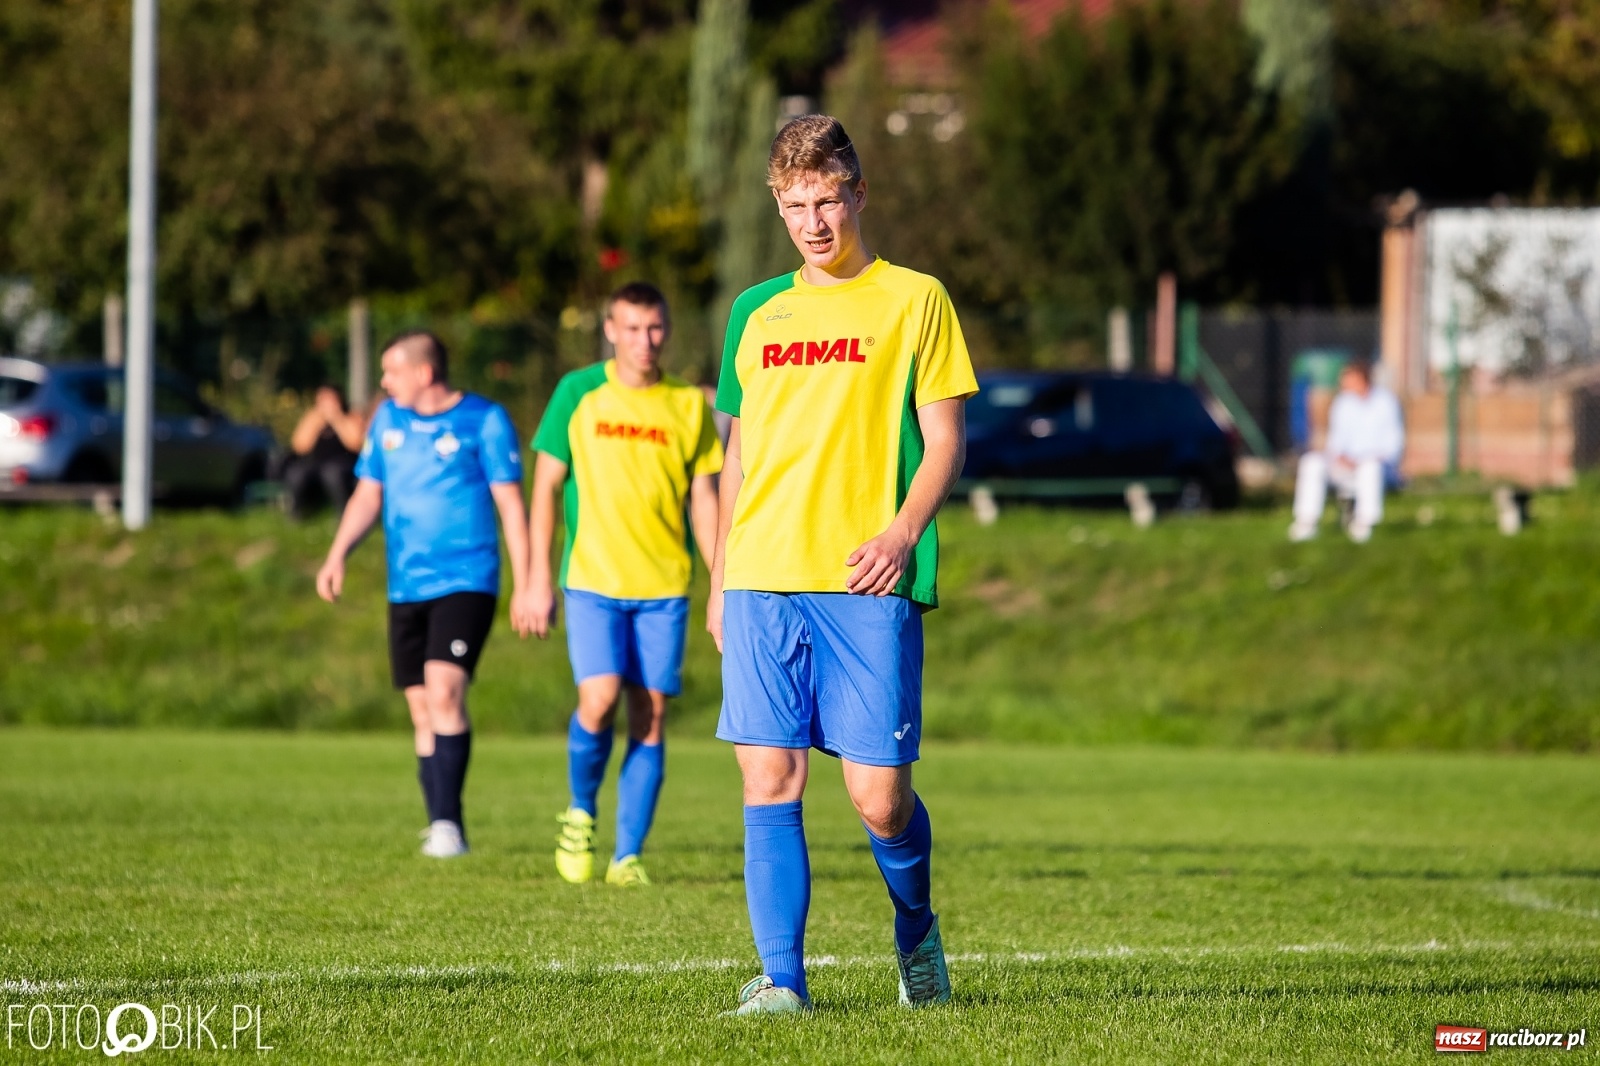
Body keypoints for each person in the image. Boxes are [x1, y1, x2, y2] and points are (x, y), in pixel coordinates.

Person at [708, 114, 978, 1015]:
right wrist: (718, 581)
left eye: (828, 200)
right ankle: (784, 982)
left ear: (858, 192)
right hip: (760, 575)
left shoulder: (916, 299)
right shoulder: (754, 312)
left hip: (868, 578)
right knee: (768, 777)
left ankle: (915, 932)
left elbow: (945, 441)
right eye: (796, 205)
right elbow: (737, 456)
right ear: (778, 207)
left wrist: (902, 533)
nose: (815, 222)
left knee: (878, 802)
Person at [528, 282, 723, 887]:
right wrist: (535, 575)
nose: (646, 340)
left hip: (664, 586)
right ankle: (581, 811)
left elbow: (705, 498)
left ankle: (627, 855)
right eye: (633, 328)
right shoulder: (578, 393)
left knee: (651, 714)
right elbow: (543, 488)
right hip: (591, 580)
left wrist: (722, 581)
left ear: (667, 330)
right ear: (610, 329)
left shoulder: (688, 405)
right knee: (600, 698)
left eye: (656, 328)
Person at [315, 331, 534, 858]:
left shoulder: (484, 420)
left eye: (391, 372)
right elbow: (370, 492)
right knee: (420, 709)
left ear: (424, 372)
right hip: (405, 585)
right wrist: (337, 553)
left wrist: (529, 582)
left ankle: (449, 826)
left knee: (443, 692)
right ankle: (437, 819)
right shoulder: (388, 422)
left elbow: (511, 506)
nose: (384, 383)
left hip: (467, 580)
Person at [1289, 359, 1405, 543]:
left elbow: (1393, 444)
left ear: (1362, 379)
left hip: (1377, 464)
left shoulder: (1386, 402)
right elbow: (1336, 442)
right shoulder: (1342, 403)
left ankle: (1364, 523)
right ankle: (1306, 522)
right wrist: (1340, 456)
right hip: (1345, 464)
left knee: (1370, 467)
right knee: (1311, 462)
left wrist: (1368, 458)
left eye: (1348, 379)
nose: (1343, 383)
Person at [281, 385, 366, 518]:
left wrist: (337, 419)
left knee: (332, 473)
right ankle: (297, 512)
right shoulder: (313, 417)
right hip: (316, 463)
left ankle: (343, 513)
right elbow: (299, 446)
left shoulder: (351, 416)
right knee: (296, 472)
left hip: (343, 463)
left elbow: (355, 443)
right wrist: (315, 423)